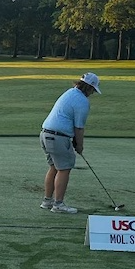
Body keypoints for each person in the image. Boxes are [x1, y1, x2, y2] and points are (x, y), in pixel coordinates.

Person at [39, 72, 101, 214]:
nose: (93, 93)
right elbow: (78, 127)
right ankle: (58, 204)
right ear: (89, 88)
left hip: (45, 134)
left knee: (54, 167)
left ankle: (47, 201)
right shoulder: (82, 102)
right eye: (93, 90)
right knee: (64, 169)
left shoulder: (70, 92)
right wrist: (79, 146)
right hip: (58, 137)